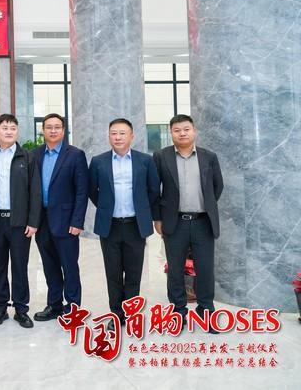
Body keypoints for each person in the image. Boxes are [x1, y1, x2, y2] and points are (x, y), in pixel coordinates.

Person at [153, 114, 223, 328]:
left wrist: (205, 207)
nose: (182, 133)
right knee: (175, 270)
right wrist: (158, 218)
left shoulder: (209, 157)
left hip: (203, 222)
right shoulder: (161, 156)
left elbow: (217, 186)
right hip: (174, 222)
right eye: (177, 130)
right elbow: (154, 190)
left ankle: (206, 311)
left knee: (205, 269)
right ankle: (178, 313)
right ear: (171, 133)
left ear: (194, 131)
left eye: (186, 129)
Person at [88, 118, 160, 328]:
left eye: (122, 133)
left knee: (134, 272)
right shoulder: (98, 161)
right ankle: (116, 314)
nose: (118, 137)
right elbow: (92, 190)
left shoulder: (145, 161)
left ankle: (131, 314)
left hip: (135, 225)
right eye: (114, 133)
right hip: (109, 225)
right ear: (109, 136)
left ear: (131, 136)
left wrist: (143, 210)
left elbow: (153, 189)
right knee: (113, 273)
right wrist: (106, 207)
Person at [30, 113, 89, 321]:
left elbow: (82, 191)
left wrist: (77, 221)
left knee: (69, 266)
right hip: (42, 220)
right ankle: (54, 305)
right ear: (43, 130)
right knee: (49, 265)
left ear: (63, 131)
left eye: (57, 127)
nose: (53, 130)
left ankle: (73, 308)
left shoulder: (75, 155)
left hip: (66, 221)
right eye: (49, 127)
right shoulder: (35, 155)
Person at [0, 114, 41, 328]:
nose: (9, 131)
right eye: (4, 128)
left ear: (17, 131)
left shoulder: (27, 157)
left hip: (20, 222)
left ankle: (21, 309)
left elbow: (35, 191)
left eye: (13, 128)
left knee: (20, 265)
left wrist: (33, 221)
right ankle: (0, 308)